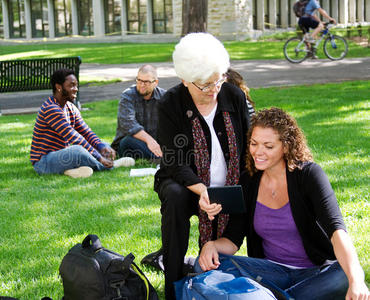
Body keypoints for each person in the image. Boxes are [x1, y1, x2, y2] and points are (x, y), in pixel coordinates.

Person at [197, 107, 369, 300]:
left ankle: (267, 297)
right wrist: (211, 246)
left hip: (315, 272)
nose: (258, 152)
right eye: (254, 144)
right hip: (270, 273)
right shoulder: (249, 180)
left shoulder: (309, 175)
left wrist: (356, 279)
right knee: (207, 262)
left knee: (342, 277)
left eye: (268, 146)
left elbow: (337, 232)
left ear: (286, 146)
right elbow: (233, 239)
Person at [153, 32, 250, 300]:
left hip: (228, 183)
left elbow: (246, 151)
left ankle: (255, 271)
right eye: (204, 85)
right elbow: (173, 159)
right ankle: (173, 282)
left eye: (217, 81)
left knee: (254, 188)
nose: (212, 90)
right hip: (185, 182)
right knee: (175, 195)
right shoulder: (170, 103)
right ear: (185, 80)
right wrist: (201, 190)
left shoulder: (233, 96)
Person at [30, 68, 134, 178]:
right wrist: (100, 158)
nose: (76, 89)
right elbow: (75, 138)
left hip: (63, 156)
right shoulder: (51, 109)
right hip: (44, 162)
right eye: (71, 85)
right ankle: (110, 165)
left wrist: (101, 146)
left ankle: (70, 171)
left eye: (76, 85)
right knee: (78, 150)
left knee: (102, 145)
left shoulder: (70, 107)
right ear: (59, 87)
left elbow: (86, 132)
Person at [111, 64, 166, 161]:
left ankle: (161, 156)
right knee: (127, 141)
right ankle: (161, 159)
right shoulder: (127, 96)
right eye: (139, 80)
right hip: (130, 143)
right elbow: (129, 124)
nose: (141, 85)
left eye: (146, 82)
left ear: (156, 82)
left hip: (155, 144)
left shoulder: (164, 97)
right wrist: (150, 141)